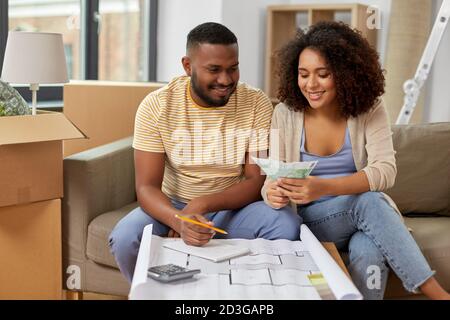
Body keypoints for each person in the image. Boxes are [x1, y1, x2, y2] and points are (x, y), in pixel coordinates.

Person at [261, 21, 450, 300]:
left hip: (362, 217)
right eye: (303, 74)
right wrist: (273, 194)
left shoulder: (369, 108)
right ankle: (437, 294)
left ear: (345, 74)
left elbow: (385, 171)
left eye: (323, 74)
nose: (310, 84)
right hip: (312, 220)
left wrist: (323, 187)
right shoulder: (286, 114)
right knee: (370, 201)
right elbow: (270, 181)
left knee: (369, 251)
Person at [109, 22, 301, 283]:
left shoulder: (255, 102)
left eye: (233, 69)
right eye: (214, 70)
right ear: (188, 66)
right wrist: (179, 220)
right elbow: (146, 187)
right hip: (172, 205)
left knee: (286, 225)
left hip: (232, 207)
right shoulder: (156, 105)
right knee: (124, 238)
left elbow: (256, 180)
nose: (226, 80)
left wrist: (201, 205)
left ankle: (243, 293)